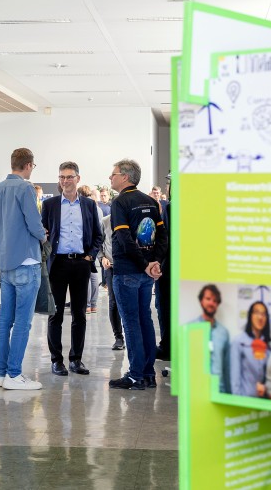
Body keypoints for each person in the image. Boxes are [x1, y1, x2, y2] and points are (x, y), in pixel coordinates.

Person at [107, 159, 167, 390]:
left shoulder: (120, 202)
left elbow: (124, 239)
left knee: (131, 323)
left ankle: (135, 375)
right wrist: (154, 262)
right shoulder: (151, 202)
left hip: (128, 272)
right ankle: (148, 373)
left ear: (125, 177)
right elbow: (162, 236)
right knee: (145, 321)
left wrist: (145, 264)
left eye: (113, 174)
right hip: (146, 272)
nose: (110, 178)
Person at [0, 148, 47, 390]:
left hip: (4, 262)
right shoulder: (25, 188)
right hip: (26, 260)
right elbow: (34, 222)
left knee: (5, 320)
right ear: (28, 165)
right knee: (23, 322)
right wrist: (43, 235)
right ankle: (14, 375)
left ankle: (2, 373)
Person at [41, 165, 102, 377]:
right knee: (55, 314)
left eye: (69, 177)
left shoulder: (89, 204)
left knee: (79, 314)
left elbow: (98, 235)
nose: (65, 181)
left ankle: (76, 359)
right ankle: (56, 361)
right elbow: (42, 234)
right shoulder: (49, 205)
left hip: (81, 264)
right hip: (57, 265)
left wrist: (90, 256)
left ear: (78, 178)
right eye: (61, 177)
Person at [191, 284, 230, 393]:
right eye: (208, 299)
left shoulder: (223, 332)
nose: (211, 303)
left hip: (219, 390)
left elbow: (226, 366)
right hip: (197, 390)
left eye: (215, 301)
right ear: (201, 301)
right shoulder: (190, 329)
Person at [230, 301, 271, 398]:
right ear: (250, 316)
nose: (260, 317)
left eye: (263, 314)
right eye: (256, 313)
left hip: (261, 402)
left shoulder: (268, 347)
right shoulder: (239, 342)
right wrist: (237, 402)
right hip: (243, 401)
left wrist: (265, 388)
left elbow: (269, 379)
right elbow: (235, 381)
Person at [77, 185, 104, 314]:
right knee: (93, 274)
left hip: (89, 245)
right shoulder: (97, 207)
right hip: (95, 245)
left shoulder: (88, 206)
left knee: (87, 275)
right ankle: (93, 304)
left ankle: (87, 304)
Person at [99, 213, 123, 350]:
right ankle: (118, 337)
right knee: (113, 301)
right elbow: (99, 241)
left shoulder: (130, 217)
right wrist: (102, 257)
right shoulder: (105, 221)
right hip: (111, 267)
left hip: (129, 267)